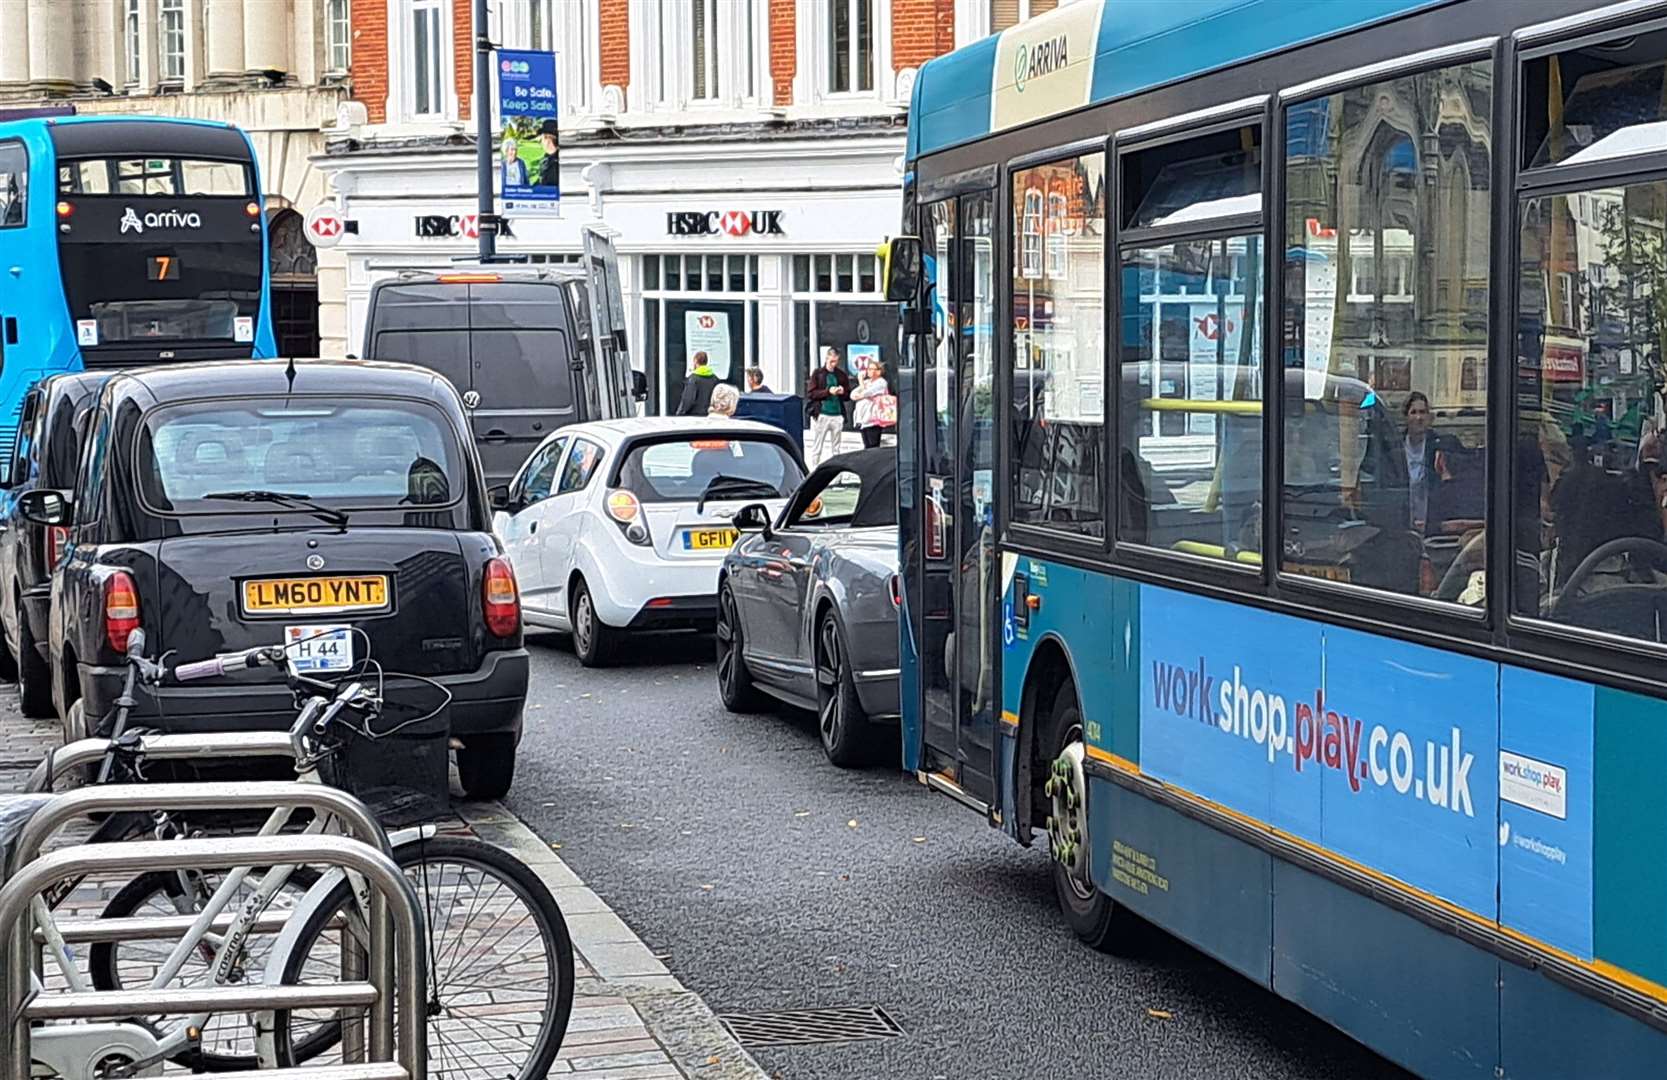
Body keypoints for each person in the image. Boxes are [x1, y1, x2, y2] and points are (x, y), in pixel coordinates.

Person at [1402, 391, 1452, 535]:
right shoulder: (1395, 447)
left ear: (1429, 417)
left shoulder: (1440, 445)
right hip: (1404, 516)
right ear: (1406, 417)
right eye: (1413, 412)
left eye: (1423, 412)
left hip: (1431, 517)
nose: (1419, 418)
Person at [805, 348, 852, 468]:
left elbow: (848, 395)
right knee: (817, 444)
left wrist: (842, 391)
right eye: (831, 361)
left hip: (837, 413)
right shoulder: (818, 373)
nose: (833, 364)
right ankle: (814, 469)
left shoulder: (841, 375)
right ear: (826, 359)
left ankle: (836, 473)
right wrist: (827, 392)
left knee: (836, 446)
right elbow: (811, 394)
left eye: (836, 361)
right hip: (823, 413)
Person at [849, 357, 895, 448]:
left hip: (873, 418)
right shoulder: (867, 382)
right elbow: (853, 394)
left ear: (878, 371)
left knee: (873, 445)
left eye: (871, 369)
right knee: (866, 445)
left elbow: (866, 393)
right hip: (863, 418)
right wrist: (862, 388)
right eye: (868, 369)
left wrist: (861, 382)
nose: (868, 371)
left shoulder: (881, 382)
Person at [677, 352, 720, 416]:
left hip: (695, 416)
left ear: (695, 361)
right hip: (710, 415)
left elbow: (688, 400)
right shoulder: (715, 379)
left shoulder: (693, 379)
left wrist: (680, 413)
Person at [535, 119, 560, 188]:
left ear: (548, 140)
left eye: (542, 138)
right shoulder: (548, 157)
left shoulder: (555, 167)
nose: (540, 141)